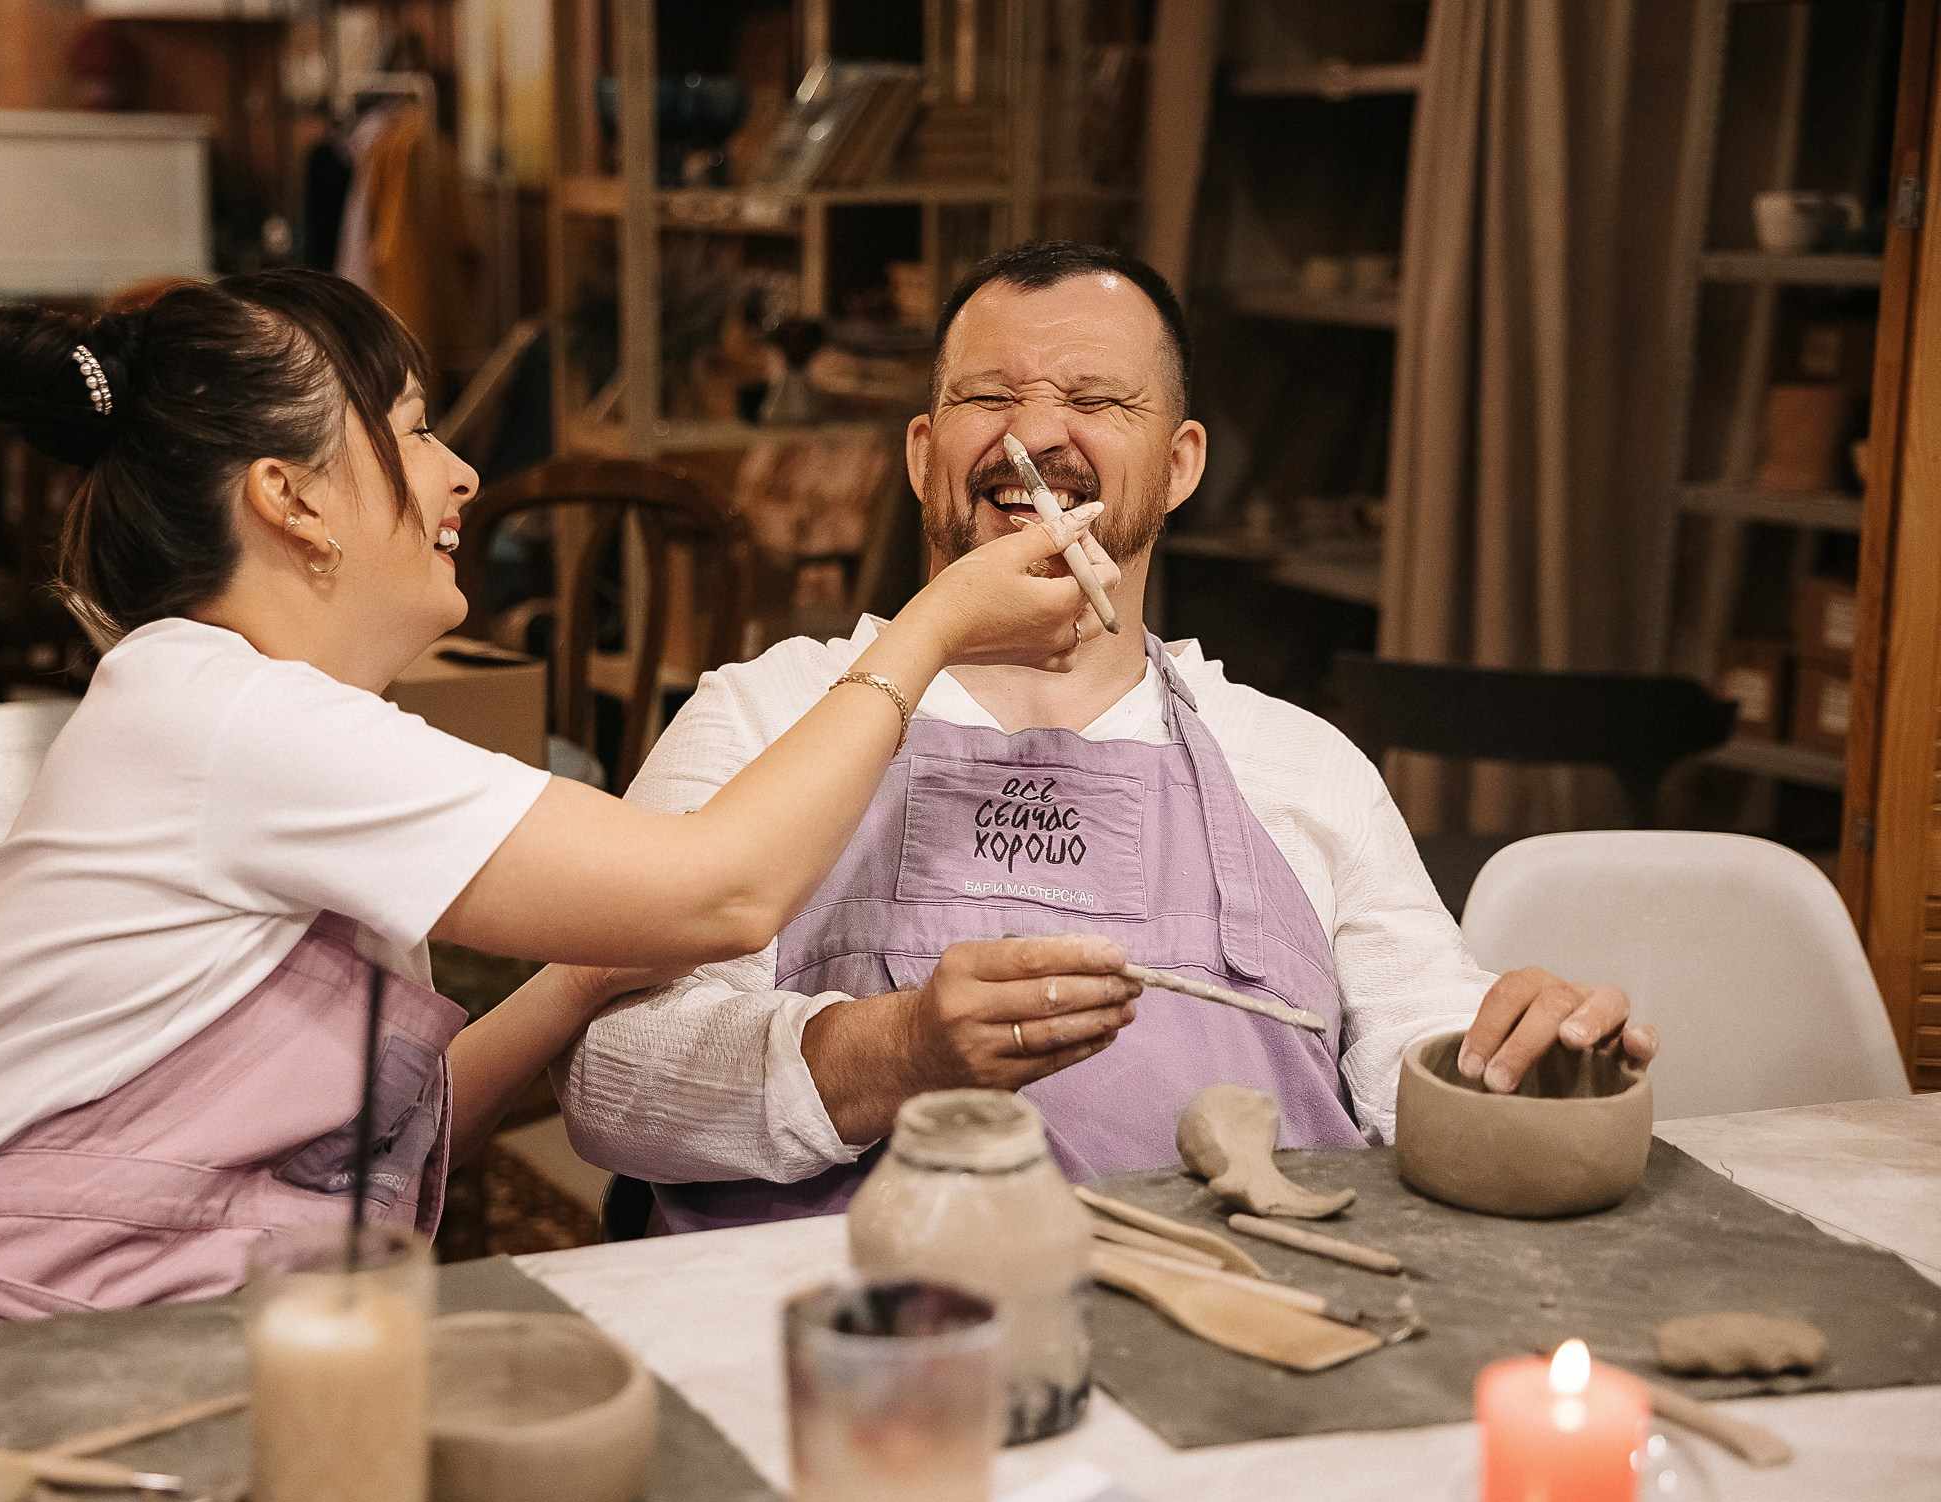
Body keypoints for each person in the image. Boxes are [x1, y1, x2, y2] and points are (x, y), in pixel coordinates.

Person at [0, 269, 1113, 1346]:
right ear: (289, 499)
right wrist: (933, 621)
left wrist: (583, 978)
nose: (464, 473)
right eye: (414, 431)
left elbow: (368, 1153)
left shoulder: (253, 721)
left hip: (129, 1354)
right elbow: (727, 887)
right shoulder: (234, 717)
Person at [556, 242, 1659, 1232]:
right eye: (989, 395)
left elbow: (1421, 1047)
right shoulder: (762, 711)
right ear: (922, 451)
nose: (1035, 434)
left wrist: (1520, 1049)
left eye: (1094, 399)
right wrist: (899, 1051)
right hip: (867, 1359)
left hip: (1241, 1348)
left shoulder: (1300, 762)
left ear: (1179, 464)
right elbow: (611, 1084)